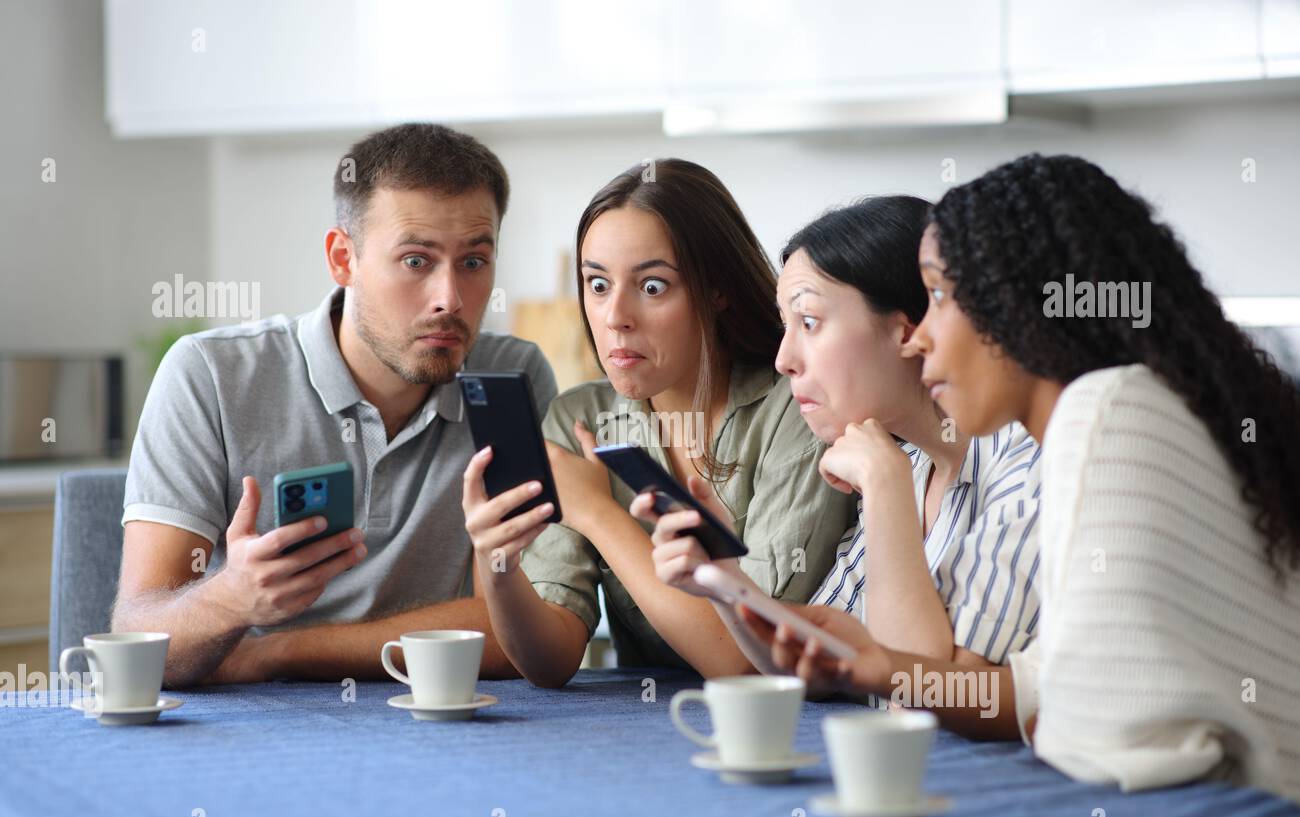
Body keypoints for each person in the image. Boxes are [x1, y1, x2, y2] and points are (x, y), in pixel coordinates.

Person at [754, 154, 1300, 804]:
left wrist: (923, 680)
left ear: (1011, 306)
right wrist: (886, 670)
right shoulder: (1109, 411)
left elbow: (1085, 730)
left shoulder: (1103, 412)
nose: (919, 336)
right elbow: (1034, 688)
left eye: (936, 298)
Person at [113, 123, 555, 688]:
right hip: (251, 734)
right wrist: (232, 599)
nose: (450, 299)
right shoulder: (211, 375)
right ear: (343, 259)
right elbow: (138, 643)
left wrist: (276, 651)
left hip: (440, 726)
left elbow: (516, 630)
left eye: (473, 263)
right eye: (417, 261)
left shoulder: (511, 379)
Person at [461, 159, 856, 687]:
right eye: (597, 285)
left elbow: (747, 660)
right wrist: (497, 559)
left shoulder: (798, 407)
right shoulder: (580, 418)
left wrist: (597, 513)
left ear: (717, 289)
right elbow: (549, 661)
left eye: (651, 287)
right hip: (644, 731)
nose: (614, 316)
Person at [633, 197, 1042, 691]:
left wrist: (885, 488)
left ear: (909, 330)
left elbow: (930, 691)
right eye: (785, 326)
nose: (784, 359)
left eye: (808, 322)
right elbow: (816, 664)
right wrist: (723, 579)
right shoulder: (908, 467)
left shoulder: (1023, 462)